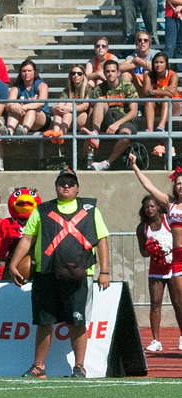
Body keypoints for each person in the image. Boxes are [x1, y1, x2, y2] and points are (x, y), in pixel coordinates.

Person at [8, 169, 110, 379]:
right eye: (62, 182)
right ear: (56, 186)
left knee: (77, 322)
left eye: (71, 183)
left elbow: (102, 240)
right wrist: (14, 264)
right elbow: (27, 238)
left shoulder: (90, 210)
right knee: (44, 322)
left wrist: (105, 271)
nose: (66, 186)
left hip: (79, 275)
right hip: (46, 273)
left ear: (77, 187)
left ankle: (79, 367)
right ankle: (39, 367)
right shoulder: (42, 210)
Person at [130, 156, 182, 352]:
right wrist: (135, 167)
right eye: (177, 184)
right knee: (180, 302)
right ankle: (159, 339)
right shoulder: (170, 204)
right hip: (176, 258)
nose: (180, 187)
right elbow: (149, 187)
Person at [84, 60, 139, 171]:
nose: (110, 74)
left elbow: (134, 112)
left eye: (113, 71)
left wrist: (117, 124)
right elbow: (91, 111)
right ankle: (94, 135)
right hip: (106, 118)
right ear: (104, 73)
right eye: (108, 71)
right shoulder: (99, 88)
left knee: (125, 137)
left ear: (118, 72)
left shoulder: (128, 86)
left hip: (124, 119)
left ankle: (107, 163)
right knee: (100, 100)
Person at [0, 187, 42, 280]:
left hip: (34, 268)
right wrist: (7, 239)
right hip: (10, 270)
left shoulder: (40, 221)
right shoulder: (7, 223)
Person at [4, 59, 50, 144]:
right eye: (24, 71)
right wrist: (13, 106)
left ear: (34, 72)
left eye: (29, 71)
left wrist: (24, 107)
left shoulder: (41, 85)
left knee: (31, 110)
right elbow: (8, 104)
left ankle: (23, 133)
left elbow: (41, 103)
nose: (26, 73)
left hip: (40, 118)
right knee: (12, 109)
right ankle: (9, 133)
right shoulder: (16, 88)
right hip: (23, 116)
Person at [45, 64, 91, 145]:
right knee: (60, 108)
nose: (76, 75)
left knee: (69, 105)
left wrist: (69, 109)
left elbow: (85, 106)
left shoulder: (88, 88)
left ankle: (60, 134)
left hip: (84, 118)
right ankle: (57, 133)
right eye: (73, 73)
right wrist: (56, 108)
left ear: (83, 76)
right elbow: (60, 104)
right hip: (69, 117)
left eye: (79, 74)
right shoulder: (67, 90)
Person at [143, 52, 181, 138]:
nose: (158, 65)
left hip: (174, 105)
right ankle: (149, 130)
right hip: (157, 104)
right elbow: (146, 92)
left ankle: (161, 127)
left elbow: (172, 91)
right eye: (156, 62)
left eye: (161, 62)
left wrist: (153, 91)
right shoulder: (148, 75)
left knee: (166, 97)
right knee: (149, 101)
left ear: (166, 64)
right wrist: (165, 90)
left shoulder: (173, 75)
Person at [120, 31, 158, 97]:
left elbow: (157, 69)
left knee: (147, 72)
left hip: (152, 87)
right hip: (138, 87)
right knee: (126, 74)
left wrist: (140, 61)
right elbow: (120, 67)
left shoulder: (155, 54)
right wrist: (137, 64)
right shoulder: (133, 56)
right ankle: (125, 102)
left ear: (149, 43)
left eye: (145, 40)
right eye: (140, 40)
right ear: (137, 43)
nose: (142, 42)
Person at [164, 0, 182, 71]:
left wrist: (181, 6)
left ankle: (180, 74)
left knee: (181, 47)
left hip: (175, 14)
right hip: (171, 15)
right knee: (169, 47)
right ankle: (165, 73)